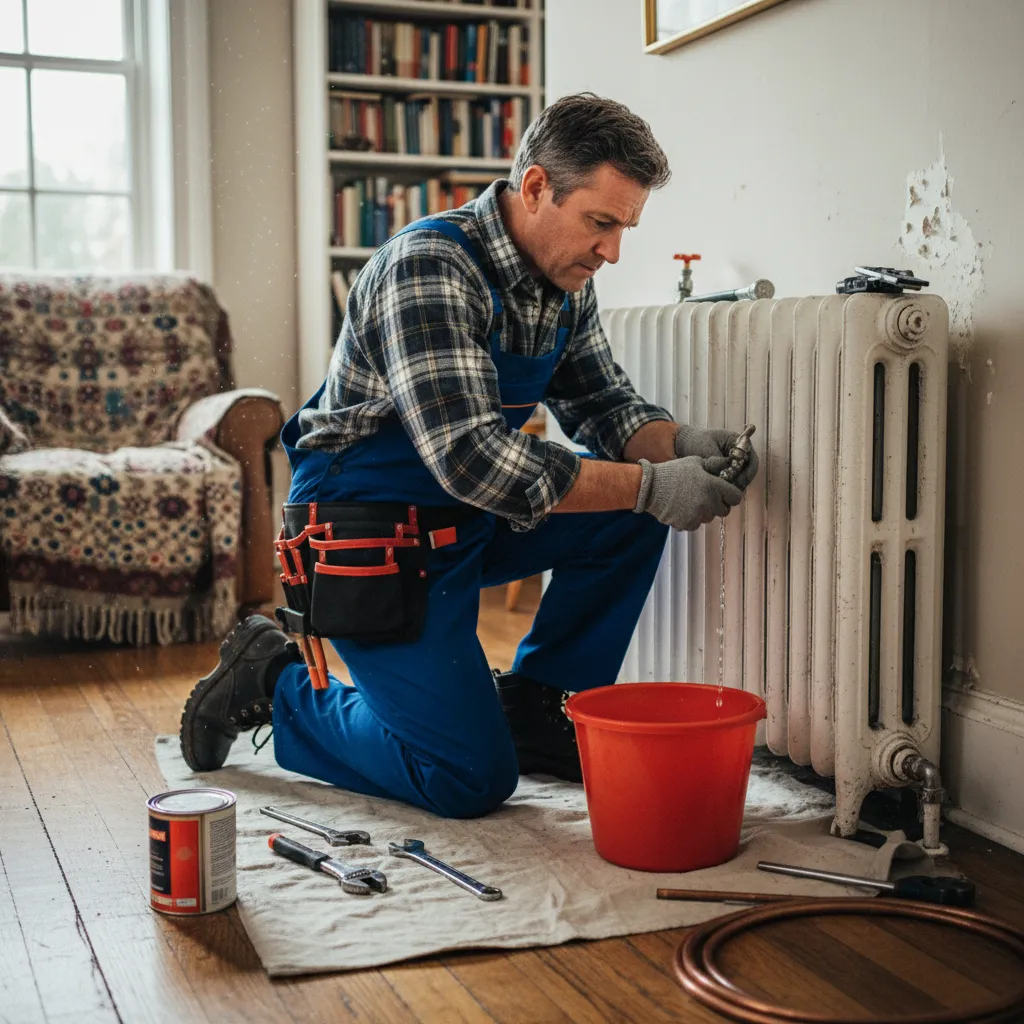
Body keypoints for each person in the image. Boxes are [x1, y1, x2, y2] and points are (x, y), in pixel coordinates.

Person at [179, 93, 758, 818]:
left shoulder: (565, 283)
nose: (613, 251)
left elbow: (604, 405)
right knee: (466, 777)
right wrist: (650, 485)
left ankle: (539, 712)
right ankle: (276, 684)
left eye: (625, 228)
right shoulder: (430, 266)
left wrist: (682, 446)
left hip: (463, 521)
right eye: (602, 223)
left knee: (629, 514)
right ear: (539, 187)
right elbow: (473, 459)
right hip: (370, 534)